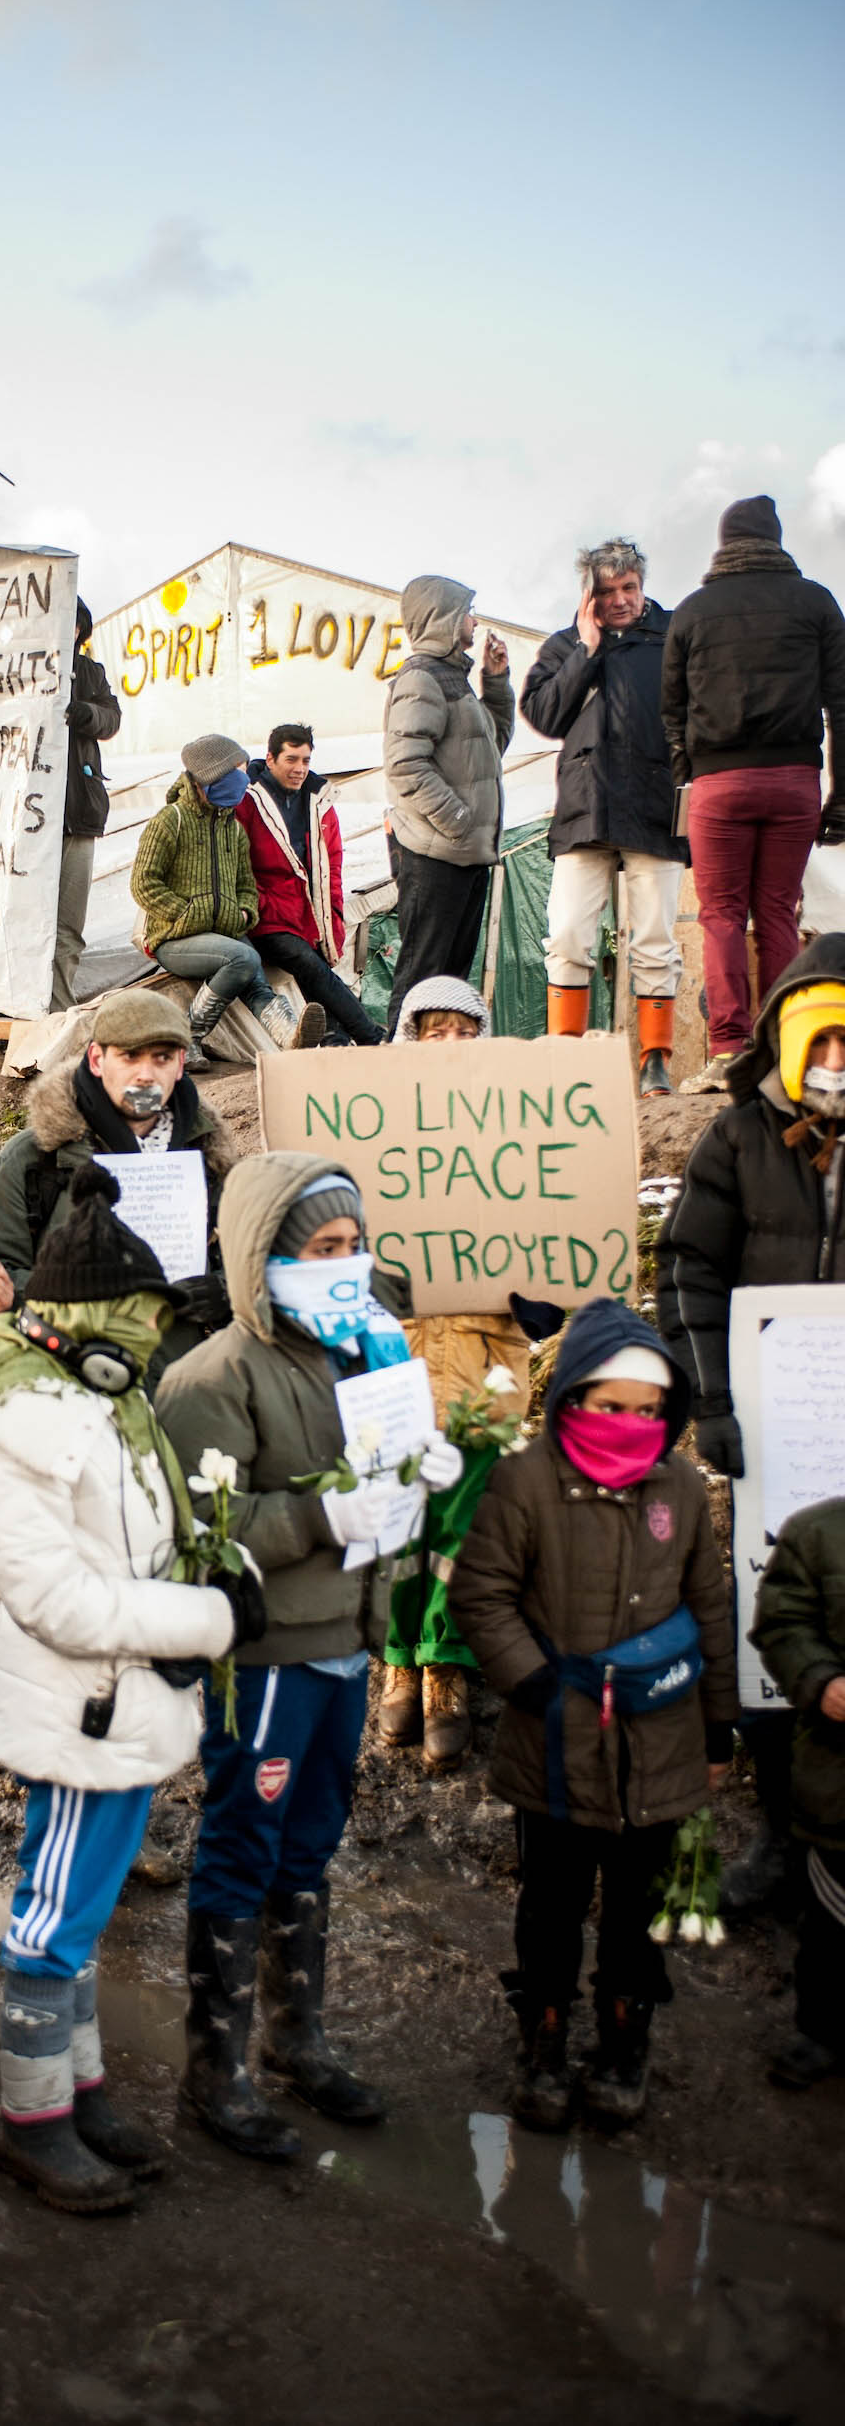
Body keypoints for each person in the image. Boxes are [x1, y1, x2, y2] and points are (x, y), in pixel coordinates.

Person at [0, 1165, 249, 2212]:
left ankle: (76, 2088)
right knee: (51, 1917)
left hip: (126, 1702)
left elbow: (139, 1536)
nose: (146, 1335)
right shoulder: (18, 1422)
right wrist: (204, 1622)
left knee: (83, 1906)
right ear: (74, 1317)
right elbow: (59, 1599)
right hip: (82, 1706)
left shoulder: (104, 1400)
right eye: (129, 1316)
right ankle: (29, 2119)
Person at [158, 1154, 461, 2156]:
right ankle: (215, 2066)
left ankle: (296, 2036)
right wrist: (314, 1514)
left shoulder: (363, 1346)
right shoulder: (211, 1378)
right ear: (265, 1258)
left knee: (310, 1840)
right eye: (321, 1250)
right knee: (243, 1840)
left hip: (346, 1641)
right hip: (269, 1652)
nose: (346, 1265)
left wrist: (429, 1466)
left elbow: (390, 1460)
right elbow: (200, 1522)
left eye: (354, 1245)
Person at [449, 1299, 736, 2132]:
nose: (631, 1423)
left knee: (635, 1909)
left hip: (662, 1740)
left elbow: (708, 1603)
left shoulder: (678, 1486)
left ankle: (622, 2038)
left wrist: (717, 1726)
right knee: (551, 1903)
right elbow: (482, 1592)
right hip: (558, 1744)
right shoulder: (526, 1481)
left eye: (649, 1411)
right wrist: (535, 1687)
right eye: (612, 1406)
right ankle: (543, 2034)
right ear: (572, 1397)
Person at [657, 933, 845, 1914]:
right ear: (784, 1038)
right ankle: (782, 1834)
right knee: (781, 1626)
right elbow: (686, 1267)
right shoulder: (731, 1140)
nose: (832, 1068)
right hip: (775, 1451)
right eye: (820, 1044)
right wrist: (709, 1398)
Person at [379, 976, 532, 1769]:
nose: (449, 1047)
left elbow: (552, 1243)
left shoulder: (515, 1142)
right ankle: (396, 1663)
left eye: (464, 1031)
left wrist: (542, 1299)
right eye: (432, 1031)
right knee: (396, 1526)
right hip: (394, 1366)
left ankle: (448, 1670)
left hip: (482, 1371)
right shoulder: (372, 1150)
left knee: (464, 1533)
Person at [662, 496, 845, 1092]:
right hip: (793, 779)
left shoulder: (692, 612)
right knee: (777, 914)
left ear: (724, 542)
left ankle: (727, 1051)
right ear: (776, 539)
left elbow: (672, 709)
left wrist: (689, 770)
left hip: (719, 784)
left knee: (720, 916)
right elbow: (842, 707)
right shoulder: (817, 602)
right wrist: (840, 796)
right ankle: (788, 1047)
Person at [0, 985, 233, 1384]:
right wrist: (77, 1289)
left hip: (182, 1387)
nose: (145, 1074)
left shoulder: (210, 1158)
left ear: (181, 1064)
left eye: (162, 1058)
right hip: (66, 1384)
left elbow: (253, 1262)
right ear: (97, 1059)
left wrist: (222, 1291)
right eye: (129, 1056)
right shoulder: (35, 1158)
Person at [521, 538, 685, 1096]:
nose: (619, 600)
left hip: (655, 803)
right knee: (567, 933)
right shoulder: (566, 643)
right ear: (588, 593)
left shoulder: (674, 638)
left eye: (628, 588)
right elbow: (543, 714)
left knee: (655, 936)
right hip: (585, 809)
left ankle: (656, 1059)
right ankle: (565, 1058)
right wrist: (587, 648)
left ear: (643, 585)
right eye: (606, 591)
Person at [131, 733, 323, 1062]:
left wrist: (245, 913)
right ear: (212, 774)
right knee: (243, 959)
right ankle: (186, 1037)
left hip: (223, 933)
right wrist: (187, 912)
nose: (244, 780)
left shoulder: (232, 828)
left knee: (256, 980)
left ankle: (290, 1036)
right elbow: (142, 883)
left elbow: (246, 886)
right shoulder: (169, 822)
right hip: (174, 937)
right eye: (238, 771)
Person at [381, 576, 513, 1035]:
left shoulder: (454, 677)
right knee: (422, 977)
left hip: (463, 852)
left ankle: (438, 1086)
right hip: (437, 853)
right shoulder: (421, 677)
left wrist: (495, 685)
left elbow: (490, 749)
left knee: (449, 985)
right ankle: (391, 1076)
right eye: (468, 613)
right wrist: (458, 819)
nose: (475, 622)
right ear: (445, 618)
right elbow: (404, 764)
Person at [750, 1497, 845, 2088]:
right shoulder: (817, 1532)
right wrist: (822, 1680)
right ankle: (825, 2030)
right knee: (834, 1919)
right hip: (838, 1779)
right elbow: (782, 1623)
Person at [240, 725, 381, 1048]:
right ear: (271, 758)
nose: (300, 768)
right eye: (291, 759)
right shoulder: (248, 802)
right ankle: (370, 1035)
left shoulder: (321, 799)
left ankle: (335, 1040)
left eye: (305, 760)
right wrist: (259, 906)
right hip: (269, 915)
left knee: (315, 968)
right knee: (309, 964)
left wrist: (332, 916)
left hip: (311, 915)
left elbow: (332, 866)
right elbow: (239, 866)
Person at [51, 599, 122, 1012]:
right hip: (22, 823)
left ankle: (57, 1011)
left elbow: (111, 719)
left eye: (71, 622)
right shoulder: (16, 667)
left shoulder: (90, 672)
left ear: (80, 629)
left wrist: (83, 713)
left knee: (68, 924)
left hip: (77, 814)